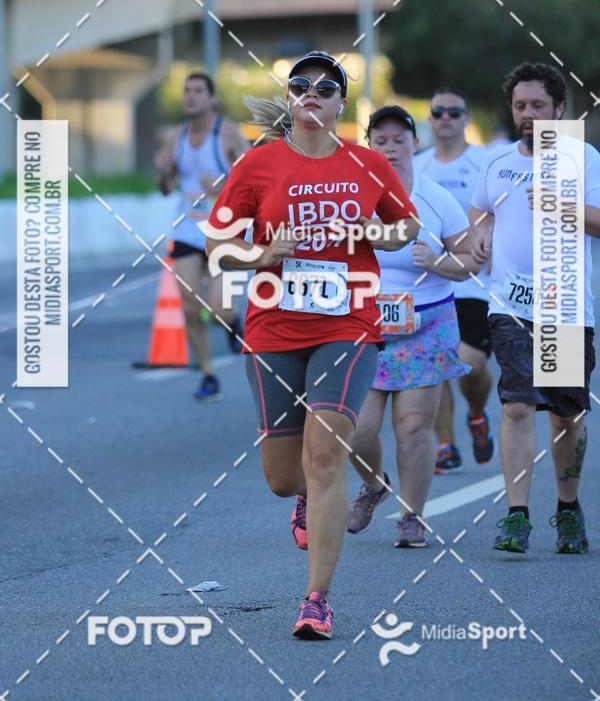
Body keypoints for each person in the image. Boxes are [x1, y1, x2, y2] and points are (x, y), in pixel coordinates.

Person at [204, 52, 419, 638]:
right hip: (274, 328)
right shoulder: (259, 164)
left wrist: (372, 231)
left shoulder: (369, 163)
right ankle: (306, 495)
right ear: (292, 98)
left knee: (325, 456)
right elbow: (220, 246)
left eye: (326, 87)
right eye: (301, 86)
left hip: (347, 325)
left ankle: (316, 600)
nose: (312, 94)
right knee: (284, 475)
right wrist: (262, 254)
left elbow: (407, 227)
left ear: (341, 103)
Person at [470, 62, 600, 554]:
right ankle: (516, 515)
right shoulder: (497, 161)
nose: (528, 114)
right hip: (510, 303)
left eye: (538, 106)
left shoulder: (580, 157)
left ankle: (568, 508)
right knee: (518, 404)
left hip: (564, 303)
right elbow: (480, 208)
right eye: (520, 106)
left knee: (566, 414)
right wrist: (480, 231)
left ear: (560, 109)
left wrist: (558, 204)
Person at [346, 105, 481, 548]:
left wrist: (439, 260)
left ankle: (412, 516)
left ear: (415, 144)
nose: (390, 148)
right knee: (355, 429)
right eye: (380, 140)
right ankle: (374, 485)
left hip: (425, 324)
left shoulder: (435, 198)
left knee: (413, 426)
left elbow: (469, 264)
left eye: (399, 139)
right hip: (365, 325)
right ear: (369, 146)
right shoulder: (352, 196)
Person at [154, 71, 248, 399]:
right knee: (190, 309)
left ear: (212, 98)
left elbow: (255, 180)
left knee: (219, 312)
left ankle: (234, 322)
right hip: (186, 230)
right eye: (186, 90)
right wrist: (164, 173)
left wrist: (224, 187)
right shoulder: (175, 138)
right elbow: (165, 189)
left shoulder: (228, 135)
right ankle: (208, 374)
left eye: (197, 90)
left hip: (221, 231)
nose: (190, 96)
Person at [414, 89, 494, 473]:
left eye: (454, 112)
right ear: (429, 119)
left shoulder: (484, 162)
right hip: (428, 280)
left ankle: (477, 415)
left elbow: (501, 208)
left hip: (473, 281)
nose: (445, 117)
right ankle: (445, 444)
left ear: (465, 118)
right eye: (438, 112)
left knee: (470, 365)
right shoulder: (419, 165)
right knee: (436, 364)